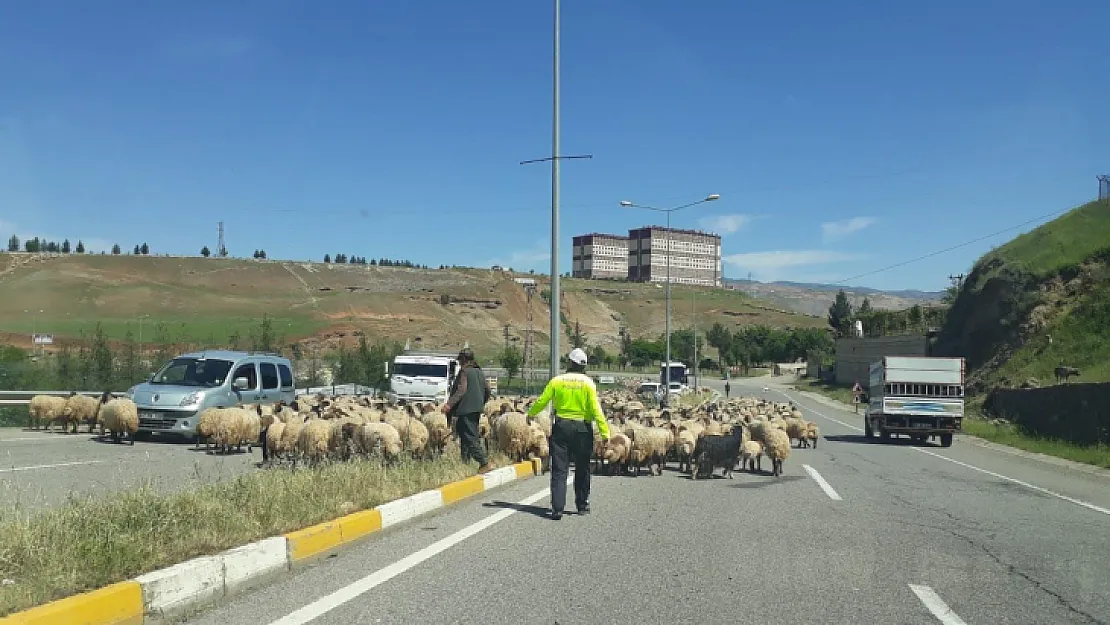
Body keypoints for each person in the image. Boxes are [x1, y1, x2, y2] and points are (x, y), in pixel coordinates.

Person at [527, 347, 610, 520]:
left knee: (559, 468)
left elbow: (543, 400)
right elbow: (596, 409)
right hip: (582, 428)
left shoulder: (557, 381)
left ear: (569, 363)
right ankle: (582, 505)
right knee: (582, 468)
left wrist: (531, 413)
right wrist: (605, 432)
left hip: (562, 427)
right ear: (583, 366)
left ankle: (557, 508)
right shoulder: (588, 383)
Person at [441, 348, 494, 474]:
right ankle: (465, 462)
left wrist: (449, 405)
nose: (459, 362)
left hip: (465, 410)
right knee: (467, 435)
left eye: (460, 360)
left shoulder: (465, 372)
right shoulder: (479, 371)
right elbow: (488, 390)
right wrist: (481, 402)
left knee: (469, 437)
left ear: (464, 359)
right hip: (476, 409)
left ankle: (484, 462)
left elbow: (461, 390)